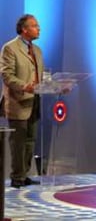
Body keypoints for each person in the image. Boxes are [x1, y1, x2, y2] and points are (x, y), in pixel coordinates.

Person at [0, 14, 44, 188]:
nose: (38, 28)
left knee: (31, 140)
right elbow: (7, 75)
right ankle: (17, 177)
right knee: (18, 141)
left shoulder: (38, 50)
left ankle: (24, 174)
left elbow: (39, 76)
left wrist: (55, 86)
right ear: (24, 29)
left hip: (35, 101)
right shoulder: (10, 48)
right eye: (34, 26)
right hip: (18, 102)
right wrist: (24, 86)